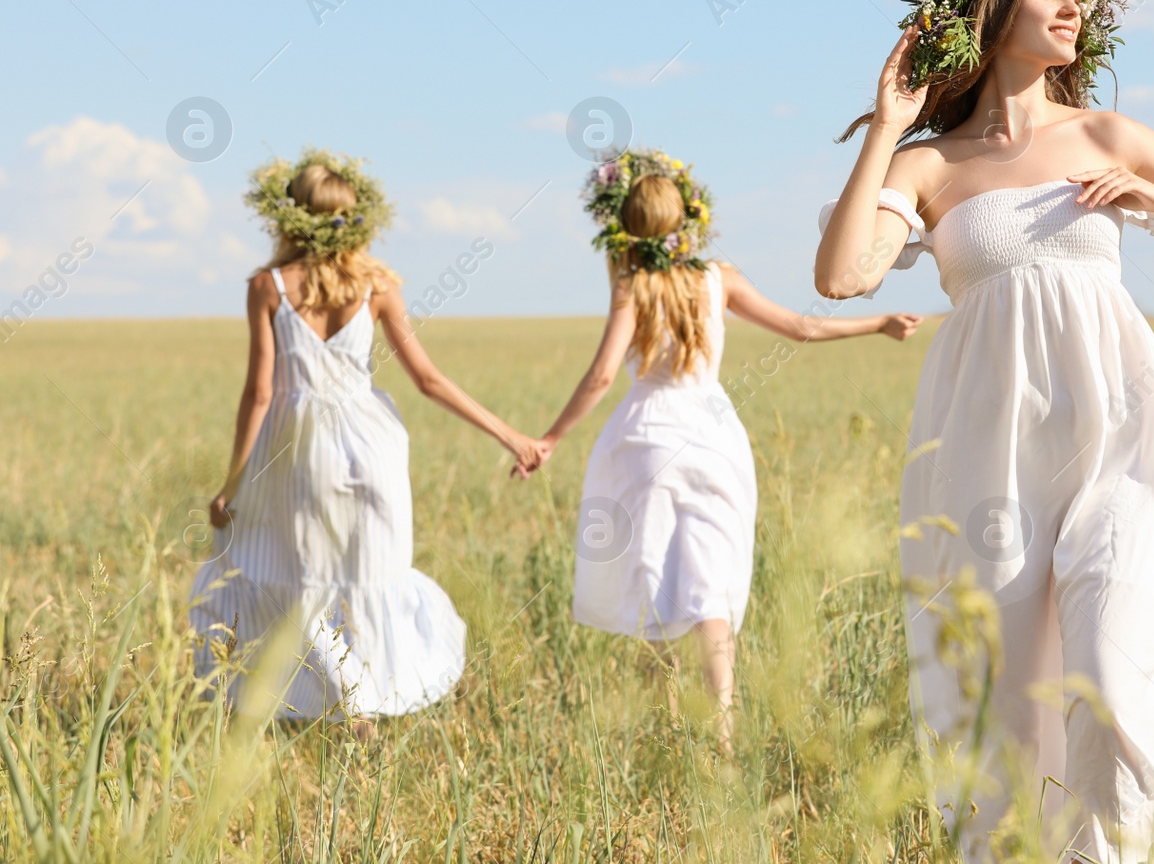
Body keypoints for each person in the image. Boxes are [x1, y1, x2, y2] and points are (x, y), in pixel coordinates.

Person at [815, 0, 1154, 862]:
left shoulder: (1109, 135)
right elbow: (844, 273)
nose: (1075, 7)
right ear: (994, 11)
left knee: (1108, 669)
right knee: (1013, 707)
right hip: (990, 450)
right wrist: (889, 127)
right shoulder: (932, 165)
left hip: (1117, 428)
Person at [515, 148, 921, 754]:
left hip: (644, 437)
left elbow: (602, 377)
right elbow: (799, 327)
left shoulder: (634, 283)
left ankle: (666, 720)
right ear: (686, 218)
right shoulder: (718, 277)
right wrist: (877, 322)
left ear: (626, 223)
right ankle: (724, 732)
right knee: (712, 579)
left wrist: (549, 437)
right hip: (711, 435)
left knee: (648, 569)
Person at [192, 149, 539, 726]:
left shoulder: (269, 286)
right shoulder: (376, 284)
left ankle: (332, 709)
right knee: (369, 580)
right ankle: (363, 709)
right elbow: (428, 380)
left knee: (301, 584)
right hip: (373, 448)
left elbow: (258, 393)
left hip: (299, 454)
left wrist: (231, 485)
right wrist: (512, 435)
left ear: (289, 215)